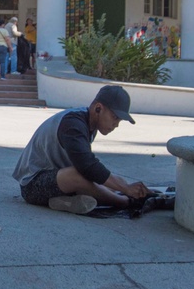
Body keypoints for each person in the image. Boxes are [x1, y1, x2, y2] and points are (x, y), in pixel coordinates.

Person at [14, 85, 150, 214]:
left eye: (119, 121)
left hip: (58, 179)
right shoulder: (73, 124)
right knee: (80, 176)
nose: (116, 125)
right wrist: (125, 191)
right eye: (114, 117)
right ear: (98, 108)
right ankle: (122, 202)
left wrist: (123, 186)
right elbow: (87, 166)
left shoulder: (88, 123)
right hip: (32, 186)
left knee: (116, 180)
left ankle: (63, 202)